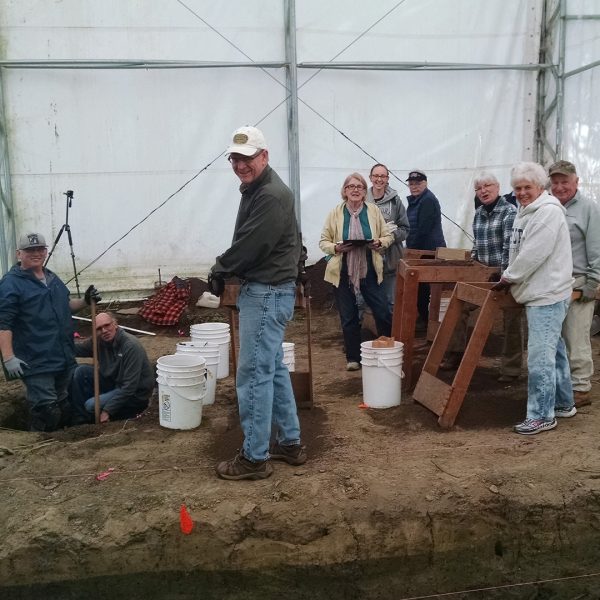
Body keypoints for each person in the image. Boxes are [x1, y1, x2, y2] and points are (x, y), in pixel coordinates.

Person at [209, 125, 305, 481]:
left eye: (247, 157)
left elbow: (253, 245)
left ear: (264, 156)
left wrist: (221, 267)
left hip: (266, 293)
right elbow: (286, 236)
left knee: (253, 375)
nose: (240, 164)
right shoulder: (260, 189)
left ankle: (254, 457)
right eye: (235, 158)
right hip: (272, 290)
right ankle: (290, 443)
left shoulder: (270, 195)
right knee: (274, 369)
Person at [492, 162, 575, 435]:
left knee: (540, 356)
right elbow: (519, 248)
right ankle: (563, 403)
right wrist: (511, 275)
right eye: (517, 188)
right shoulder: (525, 211)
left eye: (527, 187)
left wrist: (508, 277)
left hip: (546, 294)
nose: (522, 192)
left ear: (541, 187)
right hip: (537, 292)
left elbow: (532, 254)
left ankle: (541, 415)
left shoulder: (548, 214)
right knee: (555, 351)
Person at [0, 232, 100, 431]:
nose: (36, 253)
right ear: (19, 254)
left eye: (40, 249)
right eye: (30, 250)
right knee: (46, 408)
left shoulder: (51, 277)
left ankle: (59, 445)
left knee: (63, 403)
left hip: (61, 356)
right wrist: (9, 357)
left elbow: (65, 306)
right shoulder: (11, 284)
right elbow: (4, 324)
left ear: (45, 251)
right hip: (35, 360)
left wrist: (85, 301)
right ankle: (38, 443)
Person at [441, 172, 522, 380]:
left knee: (512, 319)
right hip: (483, 273)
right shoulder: (478, 213)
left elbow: (509, 247)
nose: (483, 191)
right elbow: (477, 244)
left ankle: (511, 369)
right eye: (479, 188)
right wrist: (474, 266)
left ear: (497, 187)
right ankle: (455, 354)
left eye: (487, 186)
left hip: (504, 273)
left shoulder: (509, 212)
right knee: (459, 304)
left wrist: (503, 276)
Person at [320, 172, 394, 371]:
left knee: (383, 311)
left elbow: (387, 235)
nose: (355, 190)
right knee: (349, 316)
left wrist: (380, 242)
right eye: (350, 187)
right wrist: (336, 248)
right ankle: (353, 358)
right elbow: (323, 241)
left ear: (364, 191)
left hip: (369, 269)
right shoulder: (335, 213)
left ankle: (386, 351)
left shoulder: (373, 211)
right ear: (344, 191)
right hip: (342, 272)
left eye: (359, 187)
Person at [549, 160, 600, 408]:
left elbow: (597, 250)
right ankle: (562, 385)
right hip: (552, 283)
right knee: (555, 337)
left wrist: (591, 286)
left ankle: (580, 387)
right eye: (555, 182)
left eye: (565, 182)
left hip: (577, 282)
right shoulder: (547, 206)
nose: (559, 187)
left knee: (576, 335)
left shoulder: (589, 209)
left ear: (576, 182)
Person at [69, 312, 154, 424]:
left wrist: (108, 410)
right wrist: (62, 341)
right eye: (99, 328)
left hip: (134, 395)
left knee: (91, 405)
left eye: (107, 325)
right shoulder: (98, 342)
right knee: (81, 371)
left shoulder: (130, 346)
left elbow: (129, 387)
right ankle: (81, 418)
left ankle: (98, 415)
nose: (104, 331)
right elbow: (77, 349)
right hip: (114, 383)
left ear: (115, 324)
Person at [405, 169, 446, 327]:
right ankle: (426, 320)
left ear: (425, 183)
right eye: (411, 184)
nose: (414, 186)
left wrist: (411, 251)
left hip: (429, 251)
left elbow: (423, 230)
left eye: (418, 183)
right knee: (421, 288)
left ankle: (430, 321)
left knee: (426, 288)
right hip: (420, 251)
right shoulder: (417, 201)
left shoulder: (427, 200)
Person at [366, 163, 410, 310]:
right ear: (370, 178)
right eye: (376, 176)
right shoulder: (362, 199)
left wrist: (390, 234)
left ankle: (389, 332)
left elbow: (405, 229)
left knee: (389, 302)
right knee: (364, 302)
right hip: (366, 262)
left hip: (390, 261)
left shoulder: (396, 201)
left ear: (387, 179)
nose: (379, 179)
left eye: (383, 176)